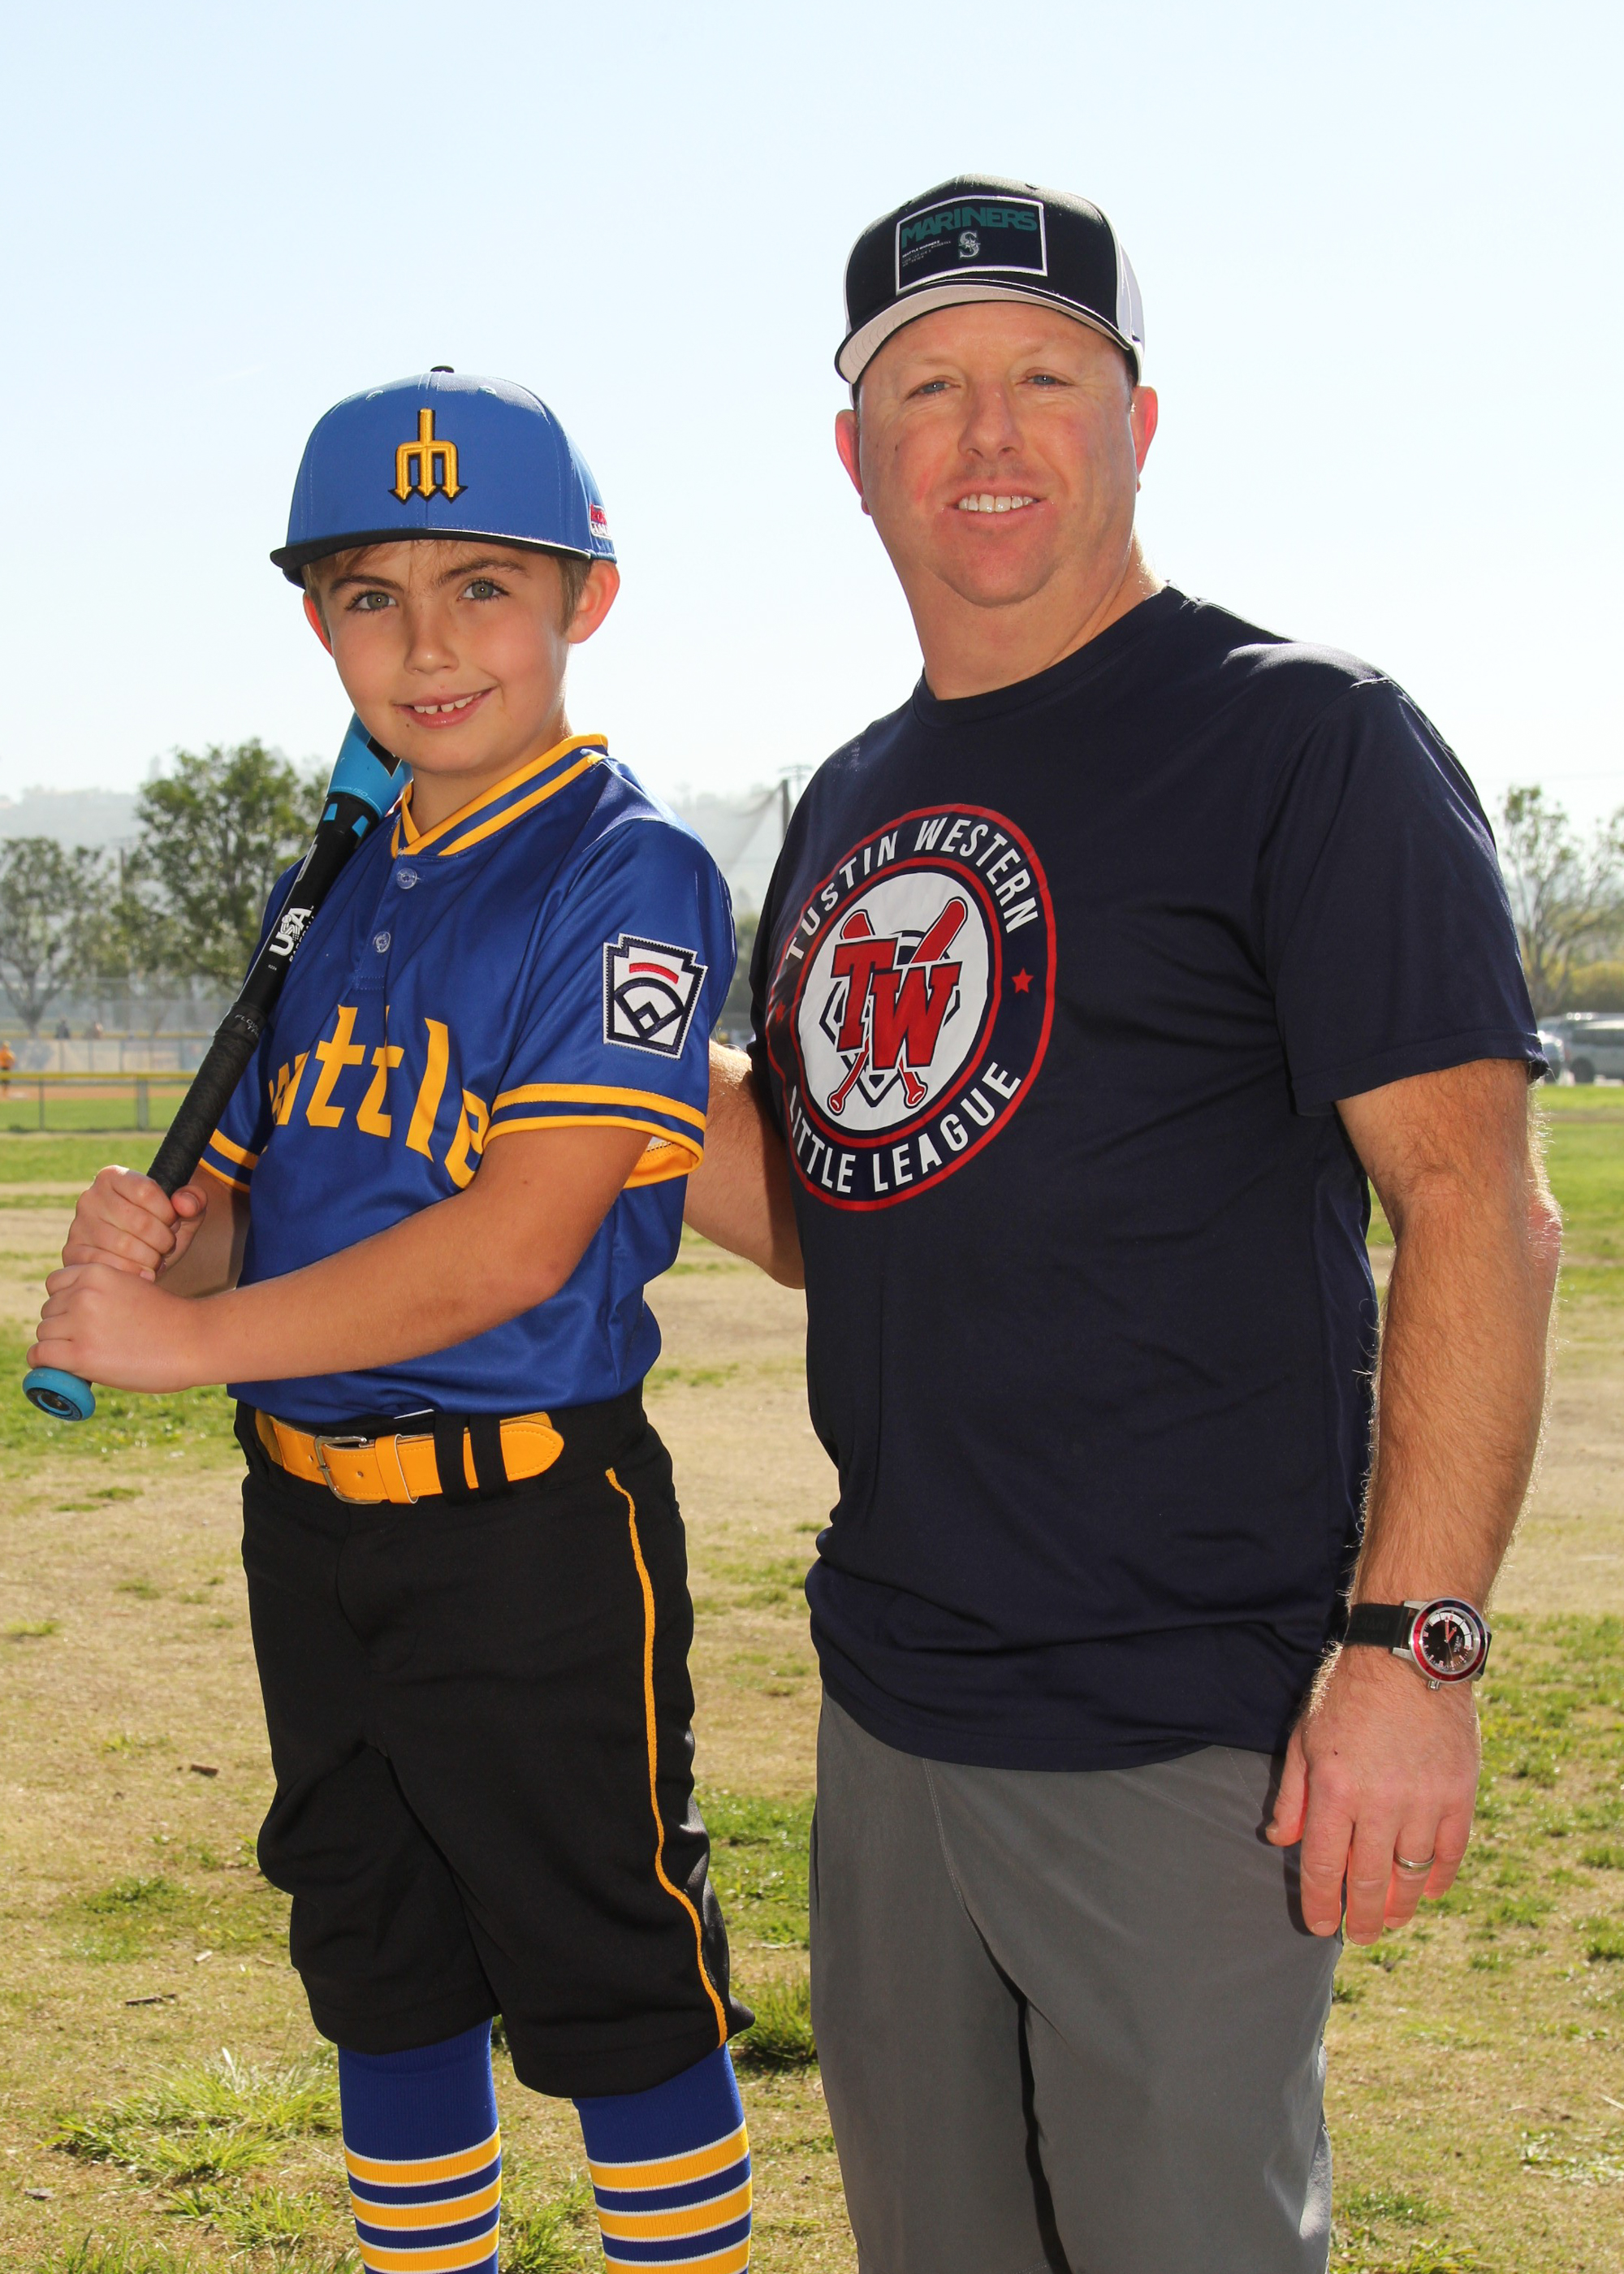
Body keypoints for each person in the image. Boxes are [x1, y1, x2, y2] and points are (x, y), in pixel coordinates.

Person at [685, 176, 1561, 2273]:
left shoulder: (1302, 738)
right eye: (927, 390)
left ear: (1140, 423)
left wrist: (1413, 1653)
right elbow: (839, 1202)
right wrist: (568, 1087)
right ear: (853, 455)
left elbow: (1476, 1206)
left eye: (1045, 380)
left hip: (1184, 1722)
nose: (986, 435)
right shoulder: (849, 796)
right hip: (894, 1704)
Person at [32, 370, 756, 2274]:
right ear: (318, 624)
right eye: (372, 595)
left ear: (587, 597)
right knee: (377, 1956)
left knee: (611, 1968)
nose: (427, 643)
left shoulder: (626, 869)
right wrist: (172, 1250)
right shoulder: (333, 878)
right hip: (307, 1514)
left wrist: (179, 1343)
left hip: (531, 1527)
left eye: (482, 586)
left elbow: (516, 1241)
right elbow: (265, 1221)